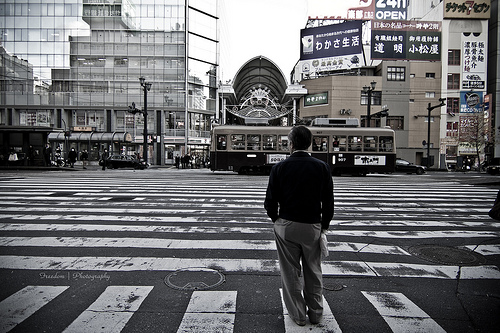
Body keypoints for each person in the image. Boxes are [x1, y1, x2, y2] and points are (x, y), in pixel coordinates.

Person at [264, 125, 334, 326]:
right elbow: (328, 202)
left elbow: (270, 202)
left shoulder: (279, 168)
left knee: (290, 272)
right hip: (312, 225)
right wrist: (324, 226)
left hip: (287, 225)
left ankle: (298, 315)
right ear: (310, 143)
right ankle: (316, 313)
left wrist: (276, 219)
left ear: (292, 144)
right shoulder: (321, 167)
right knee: (313, 269)